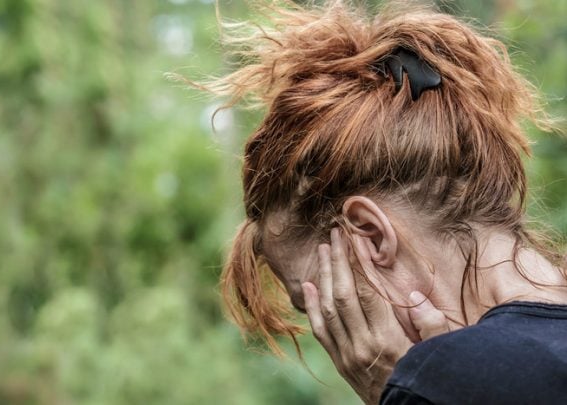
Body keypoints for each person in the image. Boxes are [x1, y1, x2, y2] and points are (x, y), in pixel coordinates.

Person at [198, 1, 567, 403]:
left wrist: (400, 388)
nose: (342, 343)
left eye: (328, 306)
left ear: (372, 237)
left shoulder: (448, 380)